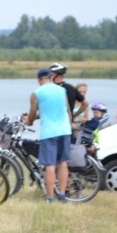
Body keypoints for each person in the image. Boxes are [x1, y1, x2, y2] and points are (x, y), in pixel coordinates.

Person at [26, 69, 72, 202]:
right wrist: (69, 125)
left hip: (49, 132)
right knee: (63, 163)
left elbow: (32, 113)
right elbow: (68, 110)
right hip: (64, 130)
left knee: (50, 165)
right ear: (51, 77)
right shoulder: (62, 90)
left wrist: (29, 121)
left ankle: (50, 197)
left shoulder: (36, 93)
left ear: (38, 79)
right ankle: (62, 195)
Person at [49, 62, 88, 127]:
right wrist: (73, 115)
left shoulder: (52, 89)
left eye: (51, 74)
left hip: (55, 125)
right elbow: (86, 103)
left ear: (55, 74)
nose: (50, 76)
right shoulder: (72, 88)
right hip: (67, 126)